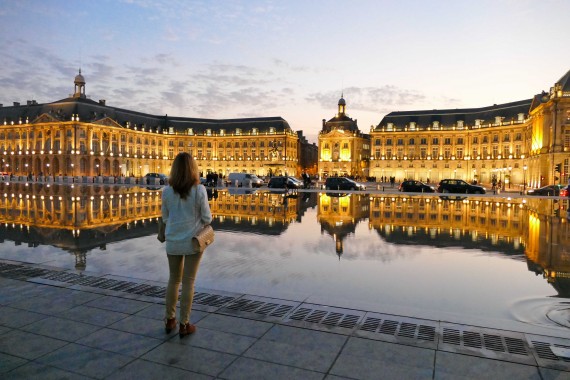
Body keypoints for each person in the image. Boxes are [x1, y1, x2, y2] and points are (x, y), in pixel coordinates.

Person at [160, 152, 212, 338]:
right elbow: (207, 218)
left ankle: (170, 319)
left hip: (173, 241)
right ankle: (184, 324)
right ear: (193, 169)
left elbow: (165, 218)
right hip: (193, 242)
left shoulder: (166, 191)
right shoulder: (199, 190)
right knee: (188, 281)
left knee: (173, 280)